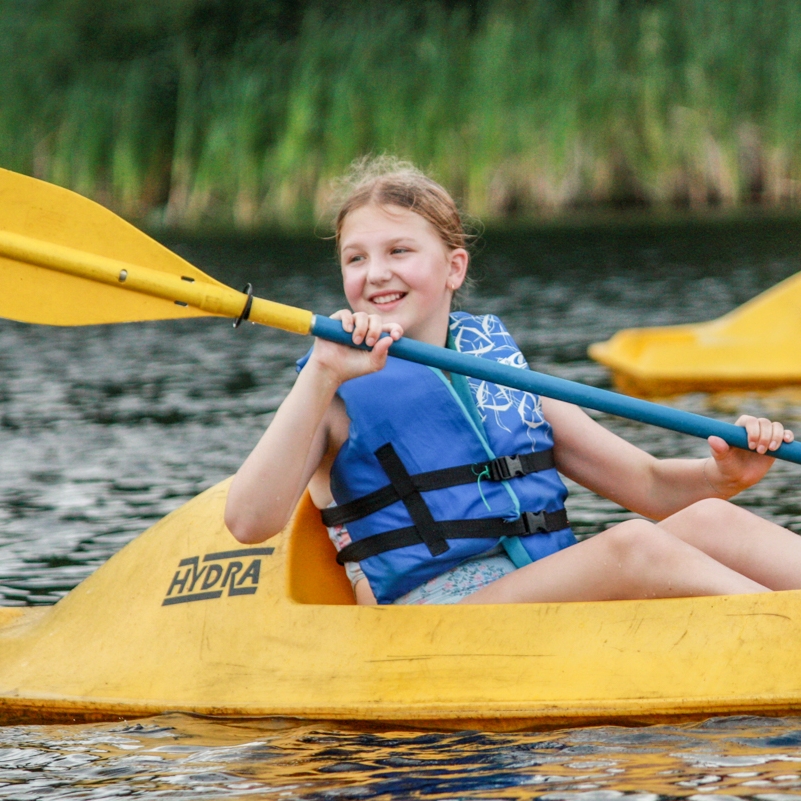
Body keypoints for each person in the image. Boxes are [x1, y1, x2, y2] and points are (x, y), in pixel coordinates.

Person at [224, 156, 801, 606]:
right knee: (634, 545)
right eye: (355, 258)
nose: (376, 273)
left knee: (710, 519)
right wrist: (322, 372)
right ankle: (783, 645)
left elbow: (648, 485)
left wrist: (721, 474)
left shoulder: (496, 368)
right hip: (434, 614)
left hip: (539, 582)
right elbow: (248, 522)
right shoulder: (333, 386)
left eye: (399, 250)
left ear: (454, 267)